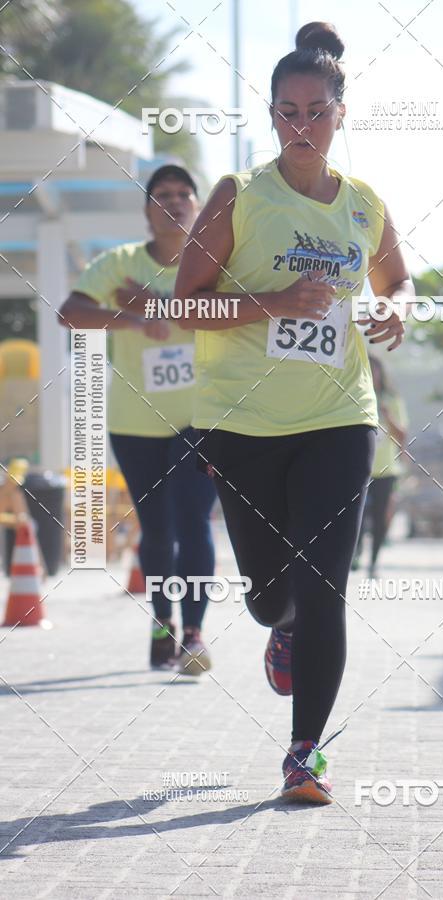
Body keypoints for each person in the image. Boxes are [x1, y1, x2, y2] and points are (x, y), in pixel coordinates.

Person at [174, 22, 412, 803]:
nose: (300, 125)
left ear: (342, 112)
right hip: (240, 422)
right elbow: (187, 304)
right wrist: (272, 300)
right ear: (271, 115)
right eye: (286, 111)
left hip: (340, 416)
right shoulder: (239, 196)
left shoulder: (365, 204)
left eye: (315, 110)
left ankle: (305, 753)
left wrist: (394, 313)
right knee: (274, 592)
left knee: (324, 587)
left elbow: (397, 281)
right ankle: (278, 624)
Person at [58, 164, 217, 674]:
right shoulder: (118, 263)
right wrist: (130, 319)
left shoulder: (217, 264)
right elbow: (70, 312)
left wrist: (158, 305)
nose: (174, 203)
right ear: (147, 211)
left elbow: (245, 316)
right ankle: (161, 623)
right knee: (156, 529)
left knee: (194, 522)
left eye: (183, 195)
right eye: (162, 195)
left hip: (203, 418)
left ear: (198, 207)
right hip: (135, 420)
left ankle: (194, 633)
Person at [353, 355, 407, 578]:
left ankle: (373, 562)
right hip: (358, 468)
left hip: (386, 470)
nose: (371, 375)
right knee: (356, 517)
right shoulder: (354, 396)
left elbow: (402, 436)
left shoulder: (392, 401)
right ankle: (354, 554)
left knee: (378, 519)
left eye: (374, 370)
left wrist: (387, 415)